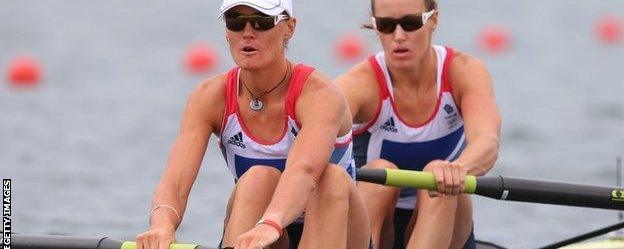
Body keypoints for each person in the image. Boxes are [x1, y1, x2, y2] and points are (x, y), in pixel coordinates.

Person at [136, 0, 371, 248]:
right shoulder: (208, 96)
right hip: (261, 227)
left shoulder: (320, 95)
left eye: (262, 21)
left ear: (289, 28)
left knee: (331, 178)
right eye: (236, 22)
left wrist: (270, 224)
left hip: (335, 225)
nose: (247, 32)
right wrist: (162, 225)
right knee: (258, 178)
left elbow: (305, 171)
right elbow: (175, 183)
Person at [336, 0, 501, 248]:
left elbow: (487, 142)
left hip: (446, 219)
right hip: (377, 225)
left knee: (438, 173)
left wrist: (457, 169)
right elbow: (313, 139)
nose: (399, 36)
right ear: (375, 26)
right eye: (387, 25)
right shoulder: (358, 85)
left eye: (411, 23)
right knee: (379, 175)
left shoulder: (465, 71)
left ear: (433, 20)